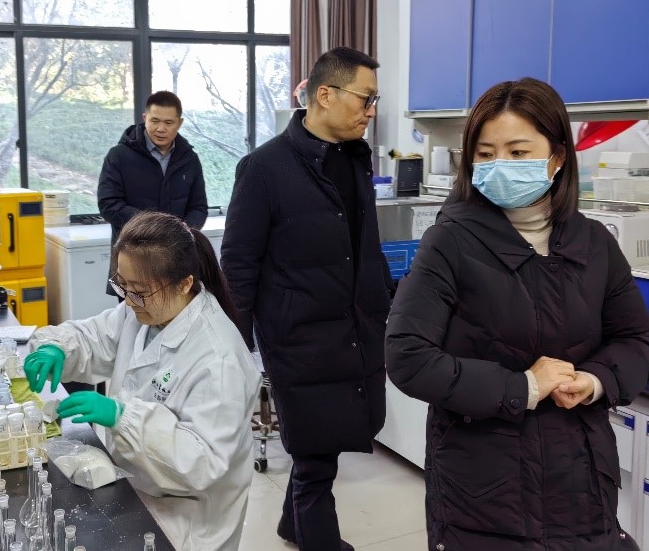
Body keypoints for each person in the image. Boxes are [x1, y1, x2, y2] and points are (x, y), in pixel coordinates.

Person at [384, 78, 649, 551]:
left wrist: (595, 380)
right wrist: (523, 387)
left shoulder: (595, 243)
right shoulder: (450, 242)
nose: (499, 166)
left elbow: (636, 339)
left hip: (583, 484)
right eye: (485, 154)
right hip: (484, 494)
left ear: (557, 156)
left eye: (517, 152)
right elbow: (407, 356)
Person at [221, 47, 393, 551]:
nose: (371, 110)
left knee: (328, 442)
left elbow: (365, 245)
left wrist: (385, 302)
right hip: (297, 335)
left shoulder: (355, 160)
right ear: (325, 95)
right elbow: (239, 264)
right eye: (365, 98)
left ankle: (291, 524)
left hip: (354, 326)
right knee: (314, 449)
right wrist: (235, 347)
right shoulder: (264, 167)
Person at [24, 211, 260, 551]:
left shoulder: (219, 360)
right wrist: (58, 347)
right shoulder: (145, 309)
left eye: (140, 291)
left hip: (188, 517)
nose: (129, 300)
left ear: (185, 284)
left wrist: (124, 418)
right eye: (123, 286)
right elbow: (96, 336)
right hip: (135, 486)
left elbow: (202, 463)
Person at [98, 90, 208, 297]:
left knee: (177, 313)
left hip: (176, 258)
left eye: (168, 122)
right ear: (144, 118)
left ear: (180, 123)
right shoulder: (119, 156)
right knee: (134, 312)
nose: (160, 129)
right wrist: (155, 228)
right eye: (155, 121)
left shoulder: (189, 159)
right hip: (132, 258)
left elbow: (199, 208)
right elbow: (109, 205)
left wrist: (180, 232)